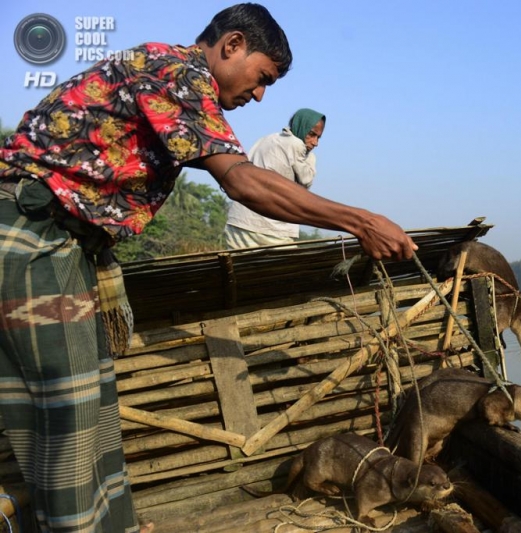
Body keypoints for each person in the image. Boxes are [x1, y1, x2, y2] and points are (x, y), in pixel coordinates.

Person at [0, 3, 416, 532]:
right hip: (31, 235)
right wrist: (362, 221)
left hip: (66, 245)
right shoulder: (174, 72)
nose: (260, 95)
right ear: (232, 44)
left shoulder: (181, 82)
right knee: (66, 418)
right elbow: (243, 181)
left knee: (95, 411)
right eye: (263, 78)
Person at [225, 108, 326, 248]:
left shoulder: (266, 139)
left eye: (318, 137)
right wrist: (310, 159)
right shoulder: (296, 145)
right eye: (311, 135)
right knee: (286, 269)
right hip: (273, 227)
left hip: (240, 221)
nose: (315, 143)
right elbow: (306, 181)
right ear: (301, 127)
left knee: (239, 269)